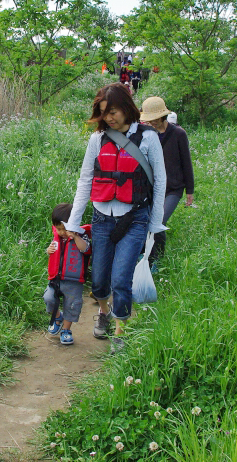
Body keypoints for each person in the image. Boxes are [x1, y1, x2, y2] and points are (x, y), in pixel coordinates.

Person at [64, 83, 167, 353]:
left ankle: (121, 328)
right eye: (103, 113)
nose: (109, 117)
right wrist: (74, 223)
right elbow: (86, 180)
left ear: (127, 108)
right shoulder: (97, 140)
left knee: (121, 278)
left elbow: (160, 182)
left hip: (134, 219)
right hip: (101, 219)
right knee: (98, 280)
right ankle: (104, 311)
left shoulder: (148, 137)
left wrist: (155, 225)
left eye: (113, 111)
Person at [140, 97, 194, 265]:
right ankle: (144, 255)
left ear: (162, 116)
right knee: (144, 220)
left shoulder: (178, 134)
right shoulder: (146, 134)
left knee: (159, 220)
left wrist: (190, 191)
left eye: (154, 119)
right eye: (148, 119)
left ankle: (158, 258)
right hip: (152, 187)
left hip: (173, 188)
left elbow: (187, 162)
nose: (151, 122)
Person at [44, 203, 92, 346]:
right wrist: (48, 251)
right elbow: (54, 252)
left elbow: (86, 250)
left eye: (64, 229)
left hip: (74, 280)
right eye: (58, 229)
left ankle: (66, 330)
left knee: (72, 305)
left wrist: (75, 236)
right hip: (56, 279)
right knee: (48, 297)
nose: (62, 233)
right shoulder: (57, 238)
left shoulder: (81, 236)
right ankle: (58, 317)